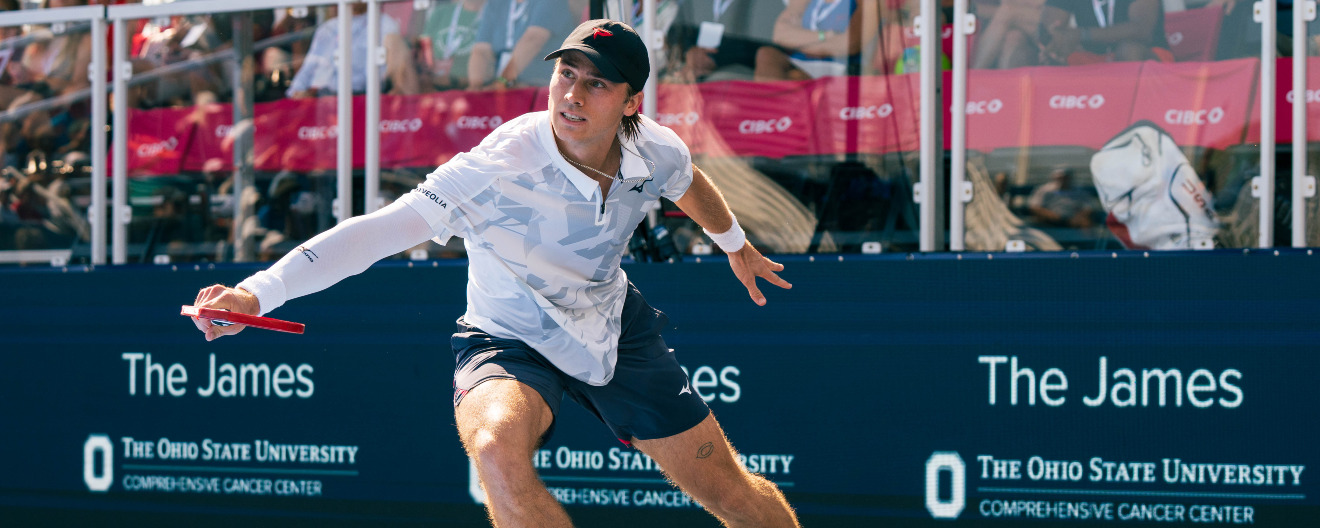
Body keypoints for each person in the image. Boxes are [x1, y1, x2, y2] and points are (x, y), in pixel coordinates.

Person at [190, 19, 800, 528]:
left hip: (613, 328)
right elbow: (375, 233)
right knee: (496, 447)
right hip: (507, 337)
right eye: (565, 74)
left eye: (597, 84)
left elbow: (688, 185)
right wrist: (257, 293)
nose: (572, 96)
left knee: (735, 499)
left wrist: (735, 245)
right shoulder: (495, 165)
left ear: (631, 102)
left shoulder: (657, 150)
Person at [285, 3, 420, 98]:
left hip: (367, 101)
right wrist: (298, 93)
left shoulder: (385, 24)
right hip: (326, 103)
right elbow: (308, 71)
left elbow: (396, 77)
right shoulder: (328, 29)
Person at [754, 0, 881, 81]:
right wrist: (827, 35)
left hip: (839, 72)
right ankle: (766, 117)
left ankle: (772, 117)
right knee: (766, 54)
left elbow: (850, 44)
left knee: (794, 77)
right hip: (800, 63)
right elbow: (780, 35)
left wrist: (799, 41)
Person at [467, 0, 578, 89]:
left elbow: (533, 40)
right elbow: (481, 50)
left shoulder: (552, 2)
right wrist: (477, 87)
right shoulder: (496, 3)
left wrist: (503, 82)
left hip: (538, 87)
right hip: (502, 88)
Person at [664, 0, 785, 82]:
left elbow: (766, 44)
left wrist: (713, 58)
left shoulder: (768, 4)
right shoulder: (694, 4)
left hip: (740, 76)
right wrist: (690, 52)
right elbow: (677, 31)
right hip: (693, 72)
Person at [1039, 0, 1172, 65]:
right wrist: (1055, 41)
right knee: (1050, 58)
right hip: (1093, 56)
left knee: (1129, 49)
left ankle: (1134, 117)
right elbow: (1048, 28)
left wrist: (1081, 35)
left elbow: (1141, 30)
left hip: (1149, 54)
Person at [416, 0, 486, 91]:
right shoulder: (440, 12)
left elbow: (498, 75)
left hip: (474, 89)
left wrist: (456, 79)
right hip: (433, 88)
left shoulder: (496, 14)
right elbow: (423, 49)